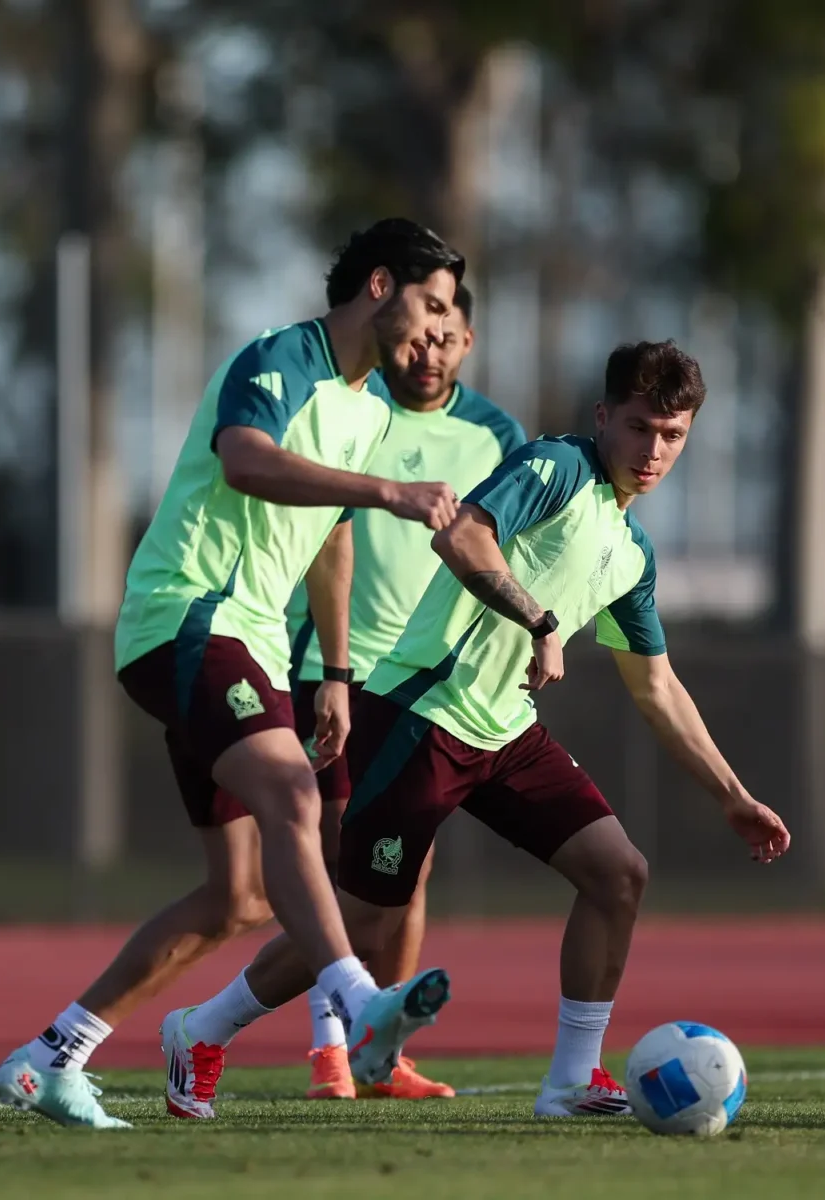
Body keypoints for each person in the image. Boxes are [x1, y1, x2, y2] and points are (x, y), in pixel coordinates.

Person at [165, 339, 791, 1119]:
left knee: (618, 873)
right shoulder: (557, 467)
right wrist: (542, 621)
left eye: (672, 435)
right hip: (418, 713)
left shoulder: (633, 551)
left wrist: (731, 795)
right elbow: (460, 533)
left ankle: (570, 1081)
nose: (653, 450)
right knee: (361, 920)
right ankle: (199, 1030)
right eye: (638, 427)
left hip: (504, 735)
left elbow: (657, 685)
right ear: (603, 418)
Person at [0, 218, 468, 1129]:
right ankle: (363, 1005)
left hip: (253, 643)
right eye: (432, 303)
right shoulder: (283, 355)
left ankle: (53, 1055)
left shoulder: (370, 409)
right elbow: (245, 460)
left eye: (452, 314)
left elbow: (332, 532)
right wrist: (390, 492)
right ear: (380, 286)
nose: (440, 329)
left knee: (241, 897)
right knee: (295, 793)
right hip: (188, 613)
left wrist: (333, 667)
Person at [287, 283, 526, 1101]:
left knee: (408, 870)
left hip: (428, 685)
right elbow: (319, 529)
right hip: (336, 666)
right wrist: (330, 664)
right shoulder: (357, 409)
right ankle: (327, 1048)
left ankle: (381, 1049)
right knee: (331, 861)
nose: (432, 352)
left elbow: (516, 547)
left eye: (449, 337)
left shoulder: (495, 433)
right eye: (422, 336)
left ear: (469, 341)